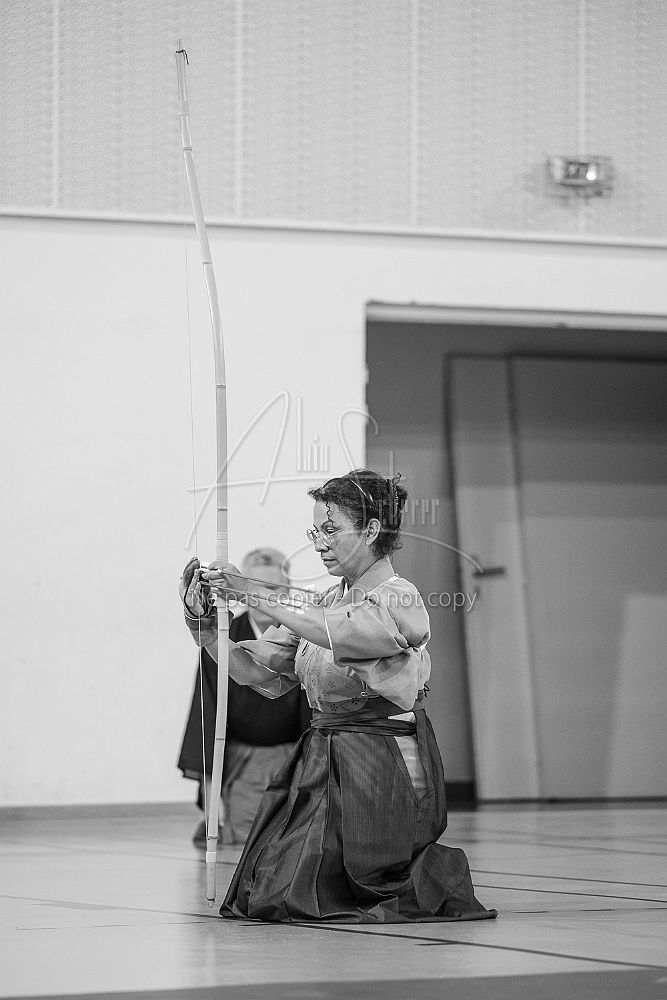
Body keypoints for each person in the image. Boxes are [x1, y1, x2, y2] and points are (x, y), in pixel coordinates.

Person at [180, 469, 496, 924]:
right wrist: (206, 626)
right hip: (324, 755)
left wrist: (252, 590)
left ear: (371, 530)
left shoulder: (399, 597)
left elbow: (339, 632)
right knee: (268, 887)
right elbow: (254, 669)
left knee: (318, 891)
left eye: (331, 530)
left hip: (382, 762)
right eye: (316, 532)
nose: (320, 544)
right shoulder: (325, 601)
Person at [177, 548, 311, 845]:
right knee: (247, 838)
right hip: (243, 762)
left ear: (288, 590)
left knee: (296, 837)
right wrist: (213, 810)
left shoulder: (303, 633)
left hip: (294, 760)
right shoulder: (222, 636)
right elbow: (207, 717)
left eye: (273, 589)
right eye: (253, 587)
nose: (263, 598)